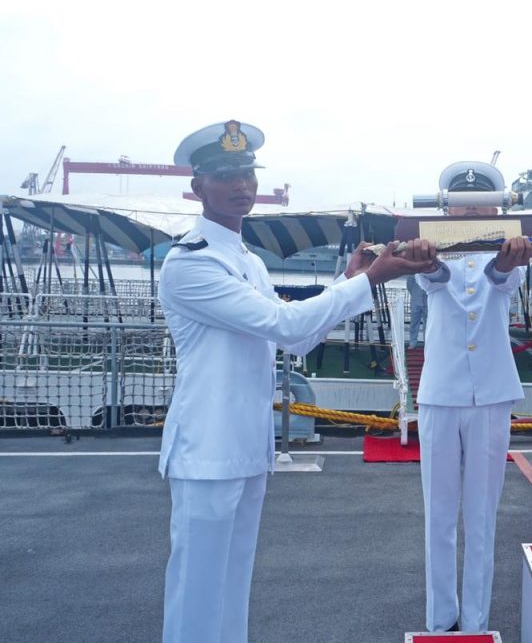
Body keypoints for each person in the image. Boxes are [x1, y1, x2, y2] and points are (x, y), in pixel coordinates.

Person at [159, 120, 435, 643]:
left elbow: (298, 341)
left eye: (246, 173)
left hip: (245, 446)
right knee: (196, 592)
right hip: (206, 448)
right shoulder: (191, 264)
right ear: (198, 188)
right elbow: (286, 325)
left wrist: (349, 282)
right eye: (225, 175)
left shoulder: (244, 261)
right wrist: (369, 281)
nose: (241, 185)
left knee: (232, 586)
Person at [415, 161, 532, 633]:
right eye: (462, 205)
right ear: (447, 208)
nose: (470, 210)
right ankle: (440, 618)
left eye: (481, 204)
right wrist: (429, 256)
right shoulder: (431, 251)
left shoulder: (508, 252)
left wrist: (505, 261)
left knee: (482, 516)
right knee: (438, 514)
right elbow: (433, 280)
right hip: (441, 392)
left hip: (490, 393)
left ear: (497, 208)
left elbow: (503, 281)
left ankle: (476, 621)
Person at [406, 274, 428, 349]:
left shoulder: (429, 272)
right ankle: (412, 343)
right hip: (416, 301)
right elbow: (409, 285)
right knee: (414, 324)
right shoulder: (413, 273)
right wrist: (415, 294)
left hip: (427, 301)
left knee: (428, 325)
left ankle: (427, 343)